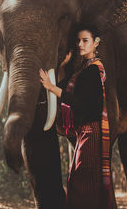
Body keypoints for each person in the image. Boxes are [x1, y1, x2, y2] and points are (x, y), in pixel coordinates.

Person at [39, 24, 113, 209]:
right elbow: (66, 85)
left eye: (85, 40)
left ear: (96, 43)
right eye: (78, 41)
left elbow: (78, 102)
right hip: (84, 133)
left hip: (90, 132)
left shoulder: (94, 71)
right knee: (80, 181)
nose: (80, 44)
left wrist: (51, 87)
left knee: (81, 183)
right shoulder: (84, 70)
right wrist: (62, 65)